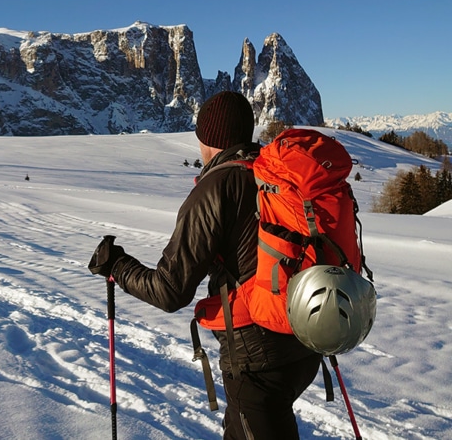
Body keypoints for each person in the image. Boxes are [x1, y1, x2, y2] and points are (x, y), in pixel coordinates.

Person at [88, 91, 321, 440]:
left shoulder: (216, 188)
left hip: (257, 361)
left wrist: (118, 267)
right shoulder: (277, 176)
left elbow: (170, 291)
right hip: (306, 341)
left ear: (208, 138)